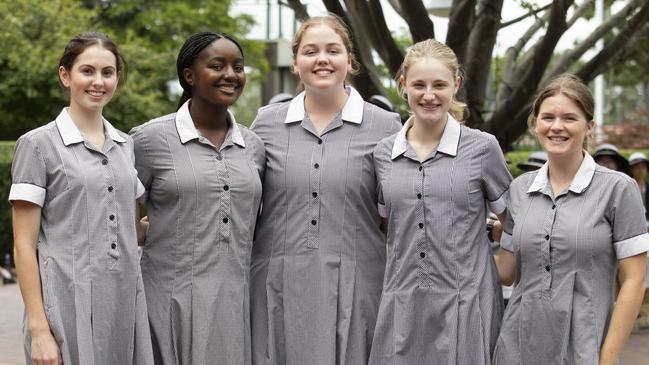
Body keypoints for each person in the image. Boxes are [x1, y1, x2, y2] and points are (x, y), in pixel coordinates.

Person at [249, 15, 402, 365]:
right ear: (295, 63)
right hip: (276, 284)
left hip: (358, 283)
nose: (322, 59)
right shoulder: (265, 122)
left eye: (333, 50)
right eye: (310, 51)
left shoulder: (386, 126)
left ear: (350, 61)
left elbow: (401, 208)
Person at [10, 32, 153, 365]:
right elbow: (23, 245)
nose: (98, 82)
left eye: (108, 72)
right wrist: (40, 331)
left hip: (123, 305)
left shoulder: (124, 145)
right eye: (87, 71)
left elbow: (128, 231)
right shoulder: (38, 145)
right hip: (65, 307)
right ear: (65, 75)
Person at [369, 39, 512, 364]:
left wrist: (504, 268)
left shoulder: (483, 148)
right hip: (402, 301)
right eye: (419, 84)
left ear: (456, 85)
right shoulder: (382, 154)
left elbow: (517, 221)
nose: (429, 95)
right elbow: (388, 226)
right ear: (403, 85)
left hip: (467, 301)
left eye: (439, 85)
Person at [494, 74, 649, 365]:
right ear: (535, 123)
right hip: (517, 349)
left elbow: (634, 280)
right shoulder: (519, 189)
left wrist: (608, 358)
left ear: (589, 126)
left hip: (585, 351)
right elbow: (507, 270)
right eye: (548, 117)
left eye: (569, 118)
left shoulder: (618, 189)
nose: (556, 126)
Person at [130, 32, 265, 365]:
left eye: (238, 66)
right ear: (189, 76)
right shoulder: (148, 140)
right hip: (167, 303)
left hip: (236, 303)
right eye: (217, 65)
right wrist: (144, 229)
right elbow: (116, 212)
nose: (230, 75)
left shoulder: (254, 146)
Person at [629, 152, 649, 228]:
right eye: (637, 167)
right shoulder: (626, 188)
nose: (641, 170)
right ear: (631, 169)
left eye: (643, 167)